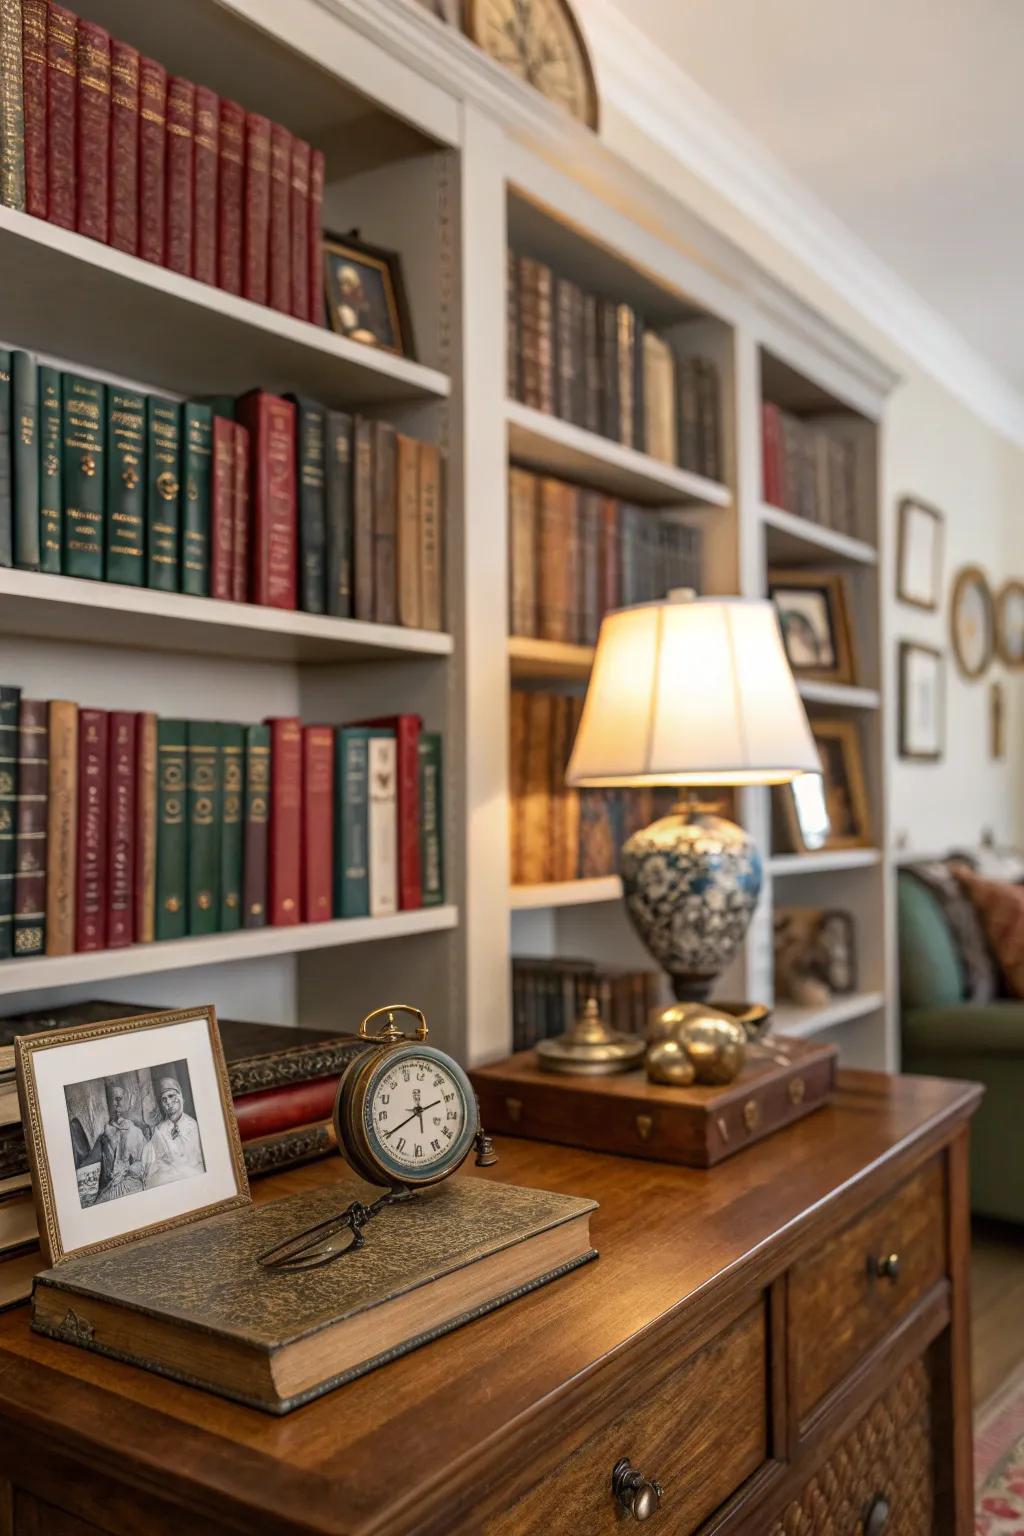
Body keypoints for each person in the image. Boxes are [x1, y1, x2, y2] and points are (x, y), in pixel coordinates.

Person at [84, 1082, 147, 1203]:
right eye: (112, 1100)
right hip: (110, 1186)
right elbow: (92, 1162)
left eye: (119, 1099)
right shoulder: (104, 1135)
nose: (115, 1104)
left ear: (126, 1102)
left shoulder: (136, 1132)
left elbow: (146, 1161)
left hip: (132, 1184)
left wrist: (127, 1172)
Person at [142, 1075, 205, 1189]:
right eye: (164, 1099)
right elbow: (152, 1164)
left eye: (171, 1096)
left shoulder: (193, 1125)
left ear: (180, 1096)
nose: (169, 1102)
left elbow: (197, 1161)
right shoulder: (159, 1130)